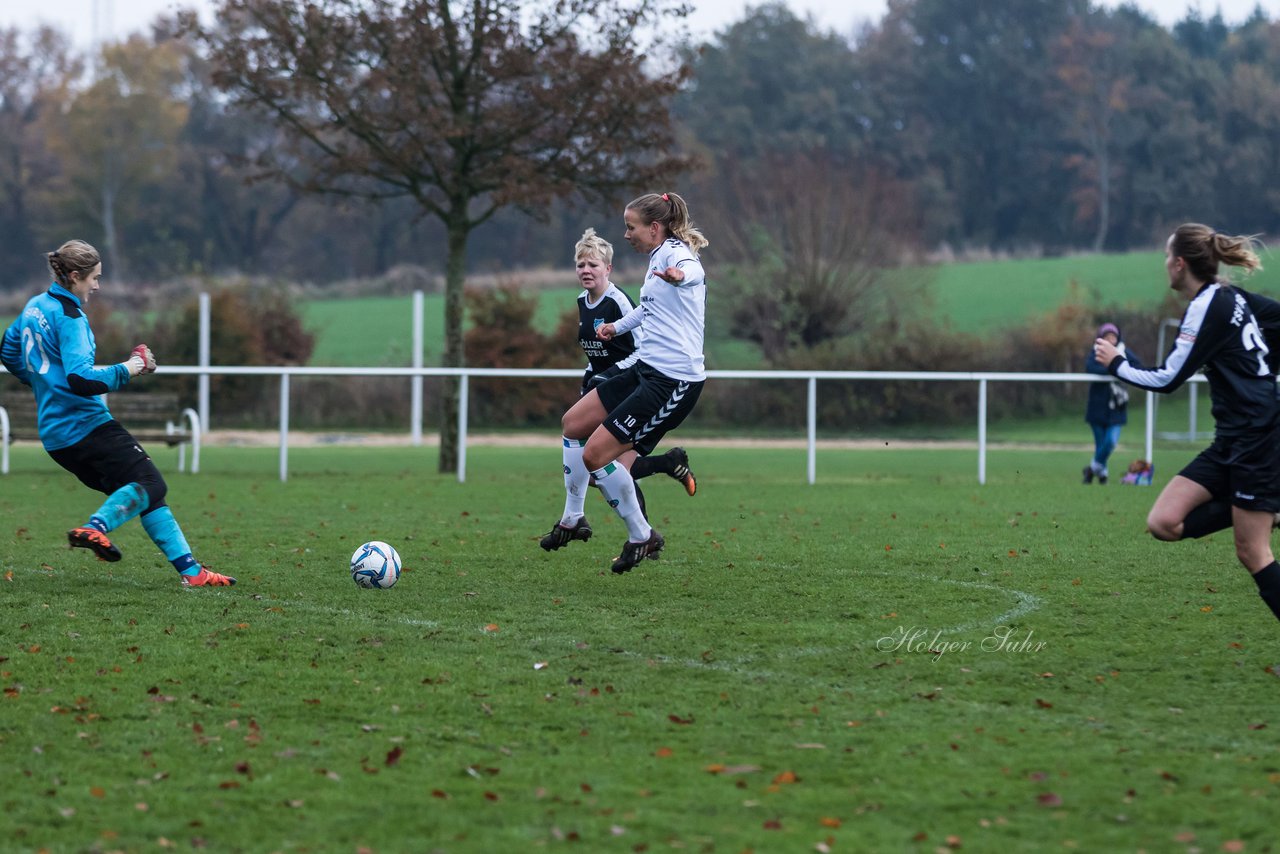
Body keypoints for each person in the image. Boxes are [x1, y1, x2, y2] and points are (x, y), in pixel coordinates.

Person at [0, 239, 235, 587]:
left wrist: (41, 383)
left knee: (146, 491)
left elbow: (8, 350)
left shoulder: (35, 305)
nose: (97, 285)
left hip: (56, 438)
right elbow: (81, 379)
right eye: (94, 278)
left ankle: (193, 573)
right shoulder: (71, 318)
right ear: (76, 276)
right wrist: (132, 366)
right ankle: (94, 528)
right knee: (151, 482)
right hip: (87, 426)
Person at [1093, 223, 1280, 623]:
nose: (1164, 264)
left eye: (1166, 256)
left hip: (1256, 439)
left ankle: (1264, 505)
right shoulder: (1229, 296)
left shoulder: (1208, 306)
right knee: (1163, 522)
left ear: (1180, 264)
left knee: (1253, 552)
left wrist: (1118, 364)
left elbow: (1168, 378)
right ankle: (1266, 506)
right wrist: (1261, 367)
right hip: (1231, 439)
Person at [539, 193, 708, 574]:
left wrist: (681, 275)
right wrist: (617, 327)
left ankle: (641, 536)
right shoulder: (654, 260)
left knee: (596, 456)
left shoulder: (675, 254)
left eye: (631, 227)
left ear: (654, 228)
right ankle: (574, 517)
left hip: (672, 382)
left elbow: (692, 271)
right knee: (573, 424)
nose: (626, 233)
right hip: (643, 369)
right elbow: (647, 310)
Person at [564, 227, 697, 518]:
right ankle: (667, 466)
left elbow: (641, 351)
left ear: (608, 268)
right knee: (604, 468)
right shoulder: (581, 302)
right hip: (607, 387)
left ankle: (643, 535)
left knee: (611, 467)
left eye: (593, 264)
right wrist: (591, 379)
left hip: (634, 387)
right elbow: (595, 353)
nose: (586, 270)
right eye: (580, 264)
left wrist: (608, 375)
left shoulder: (619, 301)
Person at [1083, 322, 1142, 484]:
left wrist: (1116, 365)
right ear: (1101, 339)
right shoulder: (1096, 353)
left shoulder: (1123, 352)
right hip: (1097, 407)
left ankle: (1091, 469)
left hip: (1117, 407)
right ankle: (1102, 476)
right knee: (1101, 445)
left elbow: (1136, 366)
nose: (1110, 340)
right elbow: (1091, 368)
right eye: (1107, 337)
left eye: (1113, 337)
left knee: (1110, 442)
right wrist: (1116, 368)